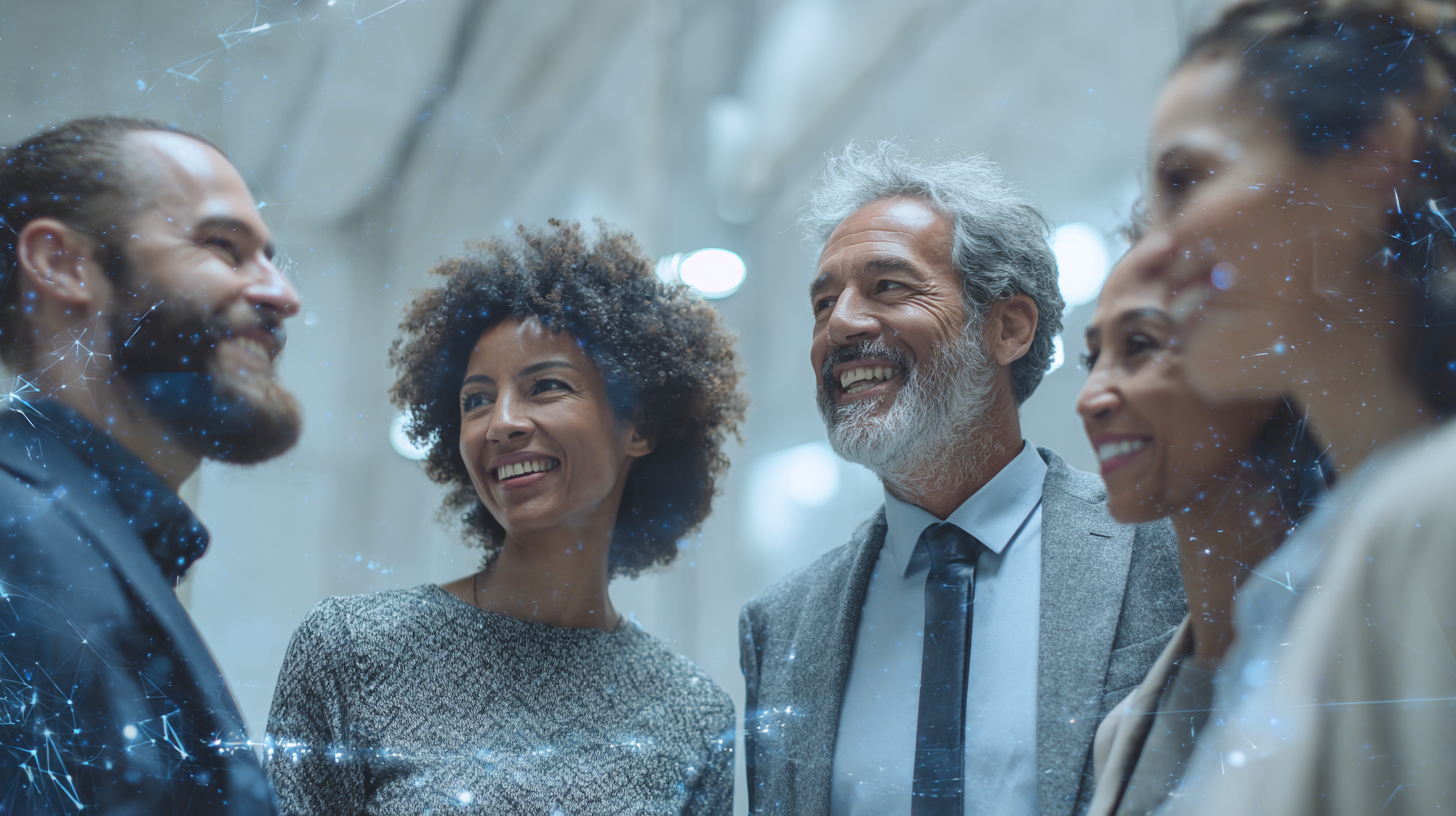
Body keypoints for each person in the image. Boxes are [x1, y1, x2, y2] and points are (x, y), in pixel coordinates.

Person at [738, 141, 1185, 816]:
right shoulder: (782, 628)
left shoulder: (1163, 552)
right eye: (823, 304)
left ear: (1008, 327)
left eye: (887, 286)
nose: (842, 324)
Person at [265, 220, 747, 816]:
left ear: (639, 425)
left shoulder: (695, 715)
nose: (501, 423)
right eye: (476, 400)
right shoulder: (352, 650)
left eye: (545, 387)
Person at [1127, 1, 1456, 812]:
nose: (1154, 252)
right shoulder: (1300, 580)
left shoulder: (1431, 515)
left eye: (1188, 179)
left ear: (1371, 155)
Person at [0, 116, 304, 814]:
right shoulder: (18, 534)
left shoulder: (86, 544)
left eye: (270, 260)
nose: (283, 297)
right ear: (62, 264)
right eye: (224, 248)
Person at [1076, 245, 1329, 816]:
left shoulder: (1373, 650)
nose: (1090, 398)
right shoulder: (1123, 733)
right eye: (1091, 360)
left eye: (1138, 345)